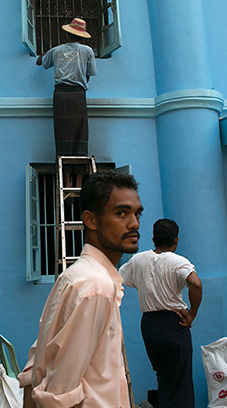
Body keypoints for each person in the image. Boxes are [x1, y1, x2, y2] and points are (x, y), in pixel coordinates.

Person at [19, 170, 143, 408]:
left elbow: (39, 358)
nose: (134, 224)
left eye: (137, 213)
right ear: (91, 220)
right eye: (121, 213)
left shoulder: (77, 276)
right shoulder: (96, 286)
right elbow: (60, 392)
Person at [119, 218, 202, 408]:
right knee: (180, 383)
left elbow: (121, 277)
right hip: (174, 323)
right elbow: (195, 283)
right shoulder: (178, 261)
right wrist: (192, 314)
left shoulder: (139, 259)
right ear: (176, 240)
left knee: (164, 378)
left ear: (153, 238)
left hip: (150, 326)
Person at [36, 18, 97, 187]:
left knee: (62, 136)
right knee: (80, 136)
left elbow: (40, 62)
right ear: (82, 36)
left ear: (67, 33)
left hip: (61, 95)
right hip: (78, 95)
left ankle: (67, 181)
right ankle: (78, 181)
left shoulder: (56, 50)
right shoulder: (87, 50)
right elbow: (88, 76)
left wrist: (48, 51)